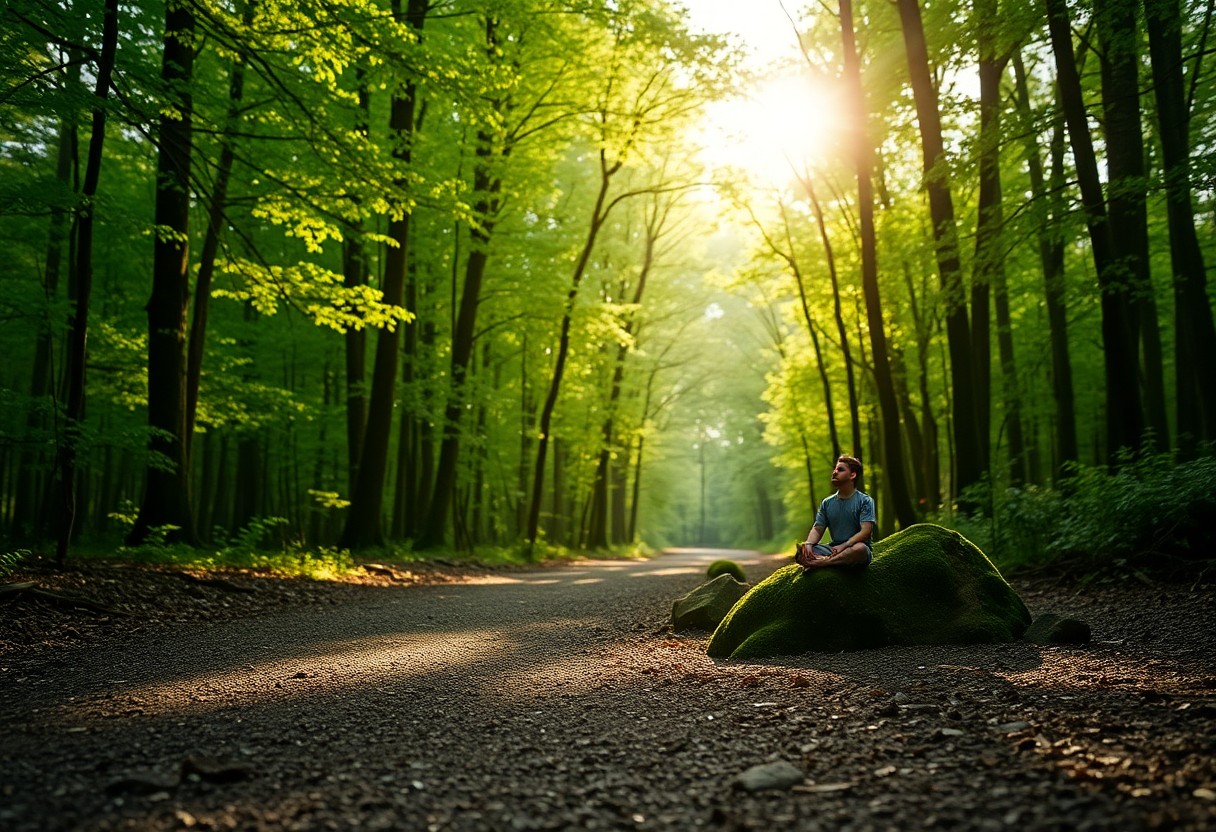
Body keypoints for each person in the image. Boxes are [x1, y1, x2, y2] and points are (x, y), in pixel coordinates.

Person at [795, 455, 876, 571]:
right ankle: (828, 561)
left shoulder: (865, 501)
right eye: (835, 469)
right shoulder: (827, 503)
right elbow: (818, 528)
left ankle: (822, 563)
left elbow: (866, 531)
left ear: (852, 475)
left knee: (860, 550)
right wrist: (809, 544)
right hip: (833, 549)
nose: (834, 472)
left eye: (840, 469)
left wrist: (845, 545)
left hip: (854, 548)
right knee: (803, 550)